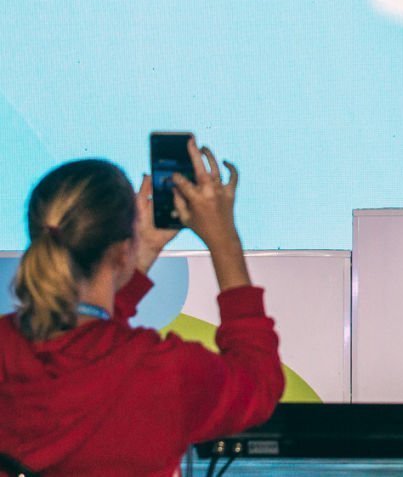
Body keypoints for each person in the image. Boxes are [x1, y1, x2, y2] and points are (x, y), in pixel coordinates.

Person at [0, 141, 283, 475]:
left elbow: (82, 348)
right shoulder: (160, 373)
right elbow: (258, 381)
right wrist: (224, 239)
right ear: (122, 252)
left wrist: (138, 252)